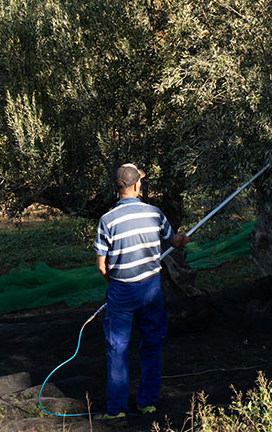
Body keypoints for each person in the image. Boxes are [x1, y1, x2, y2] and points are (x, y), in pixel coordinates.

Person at [93, 163, 188, 422]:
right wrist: (182, 238)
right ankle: (147, 403)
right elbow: (174, 241)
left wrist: (113, 283)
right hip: (150, 289)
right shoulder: (155, 214)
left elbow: (102, 266)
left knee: (117, 348)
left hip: (120, 291)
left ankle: (116, 410)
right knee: (152, 344)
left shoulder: (107, 220)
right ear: (136, 186)